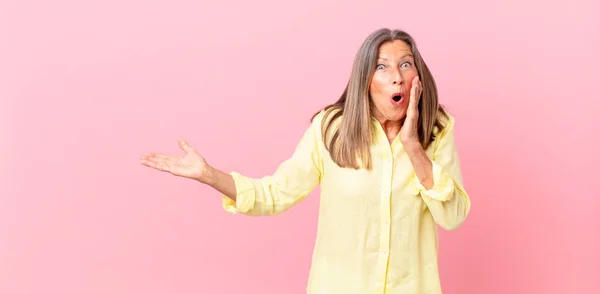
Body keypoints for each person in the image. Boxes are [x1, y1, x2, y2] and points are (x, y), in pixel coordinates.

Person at [140, 28, 471, 294]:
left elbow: (453, 216)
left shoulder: (438, 130)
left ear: (418, 77)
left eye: (406, 63)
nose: (397, 76)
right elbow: (276, 194)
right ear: (365, 81)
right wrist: (208, 175)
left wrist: (414, 148)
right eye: (382, 66)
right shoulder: (330, 128)